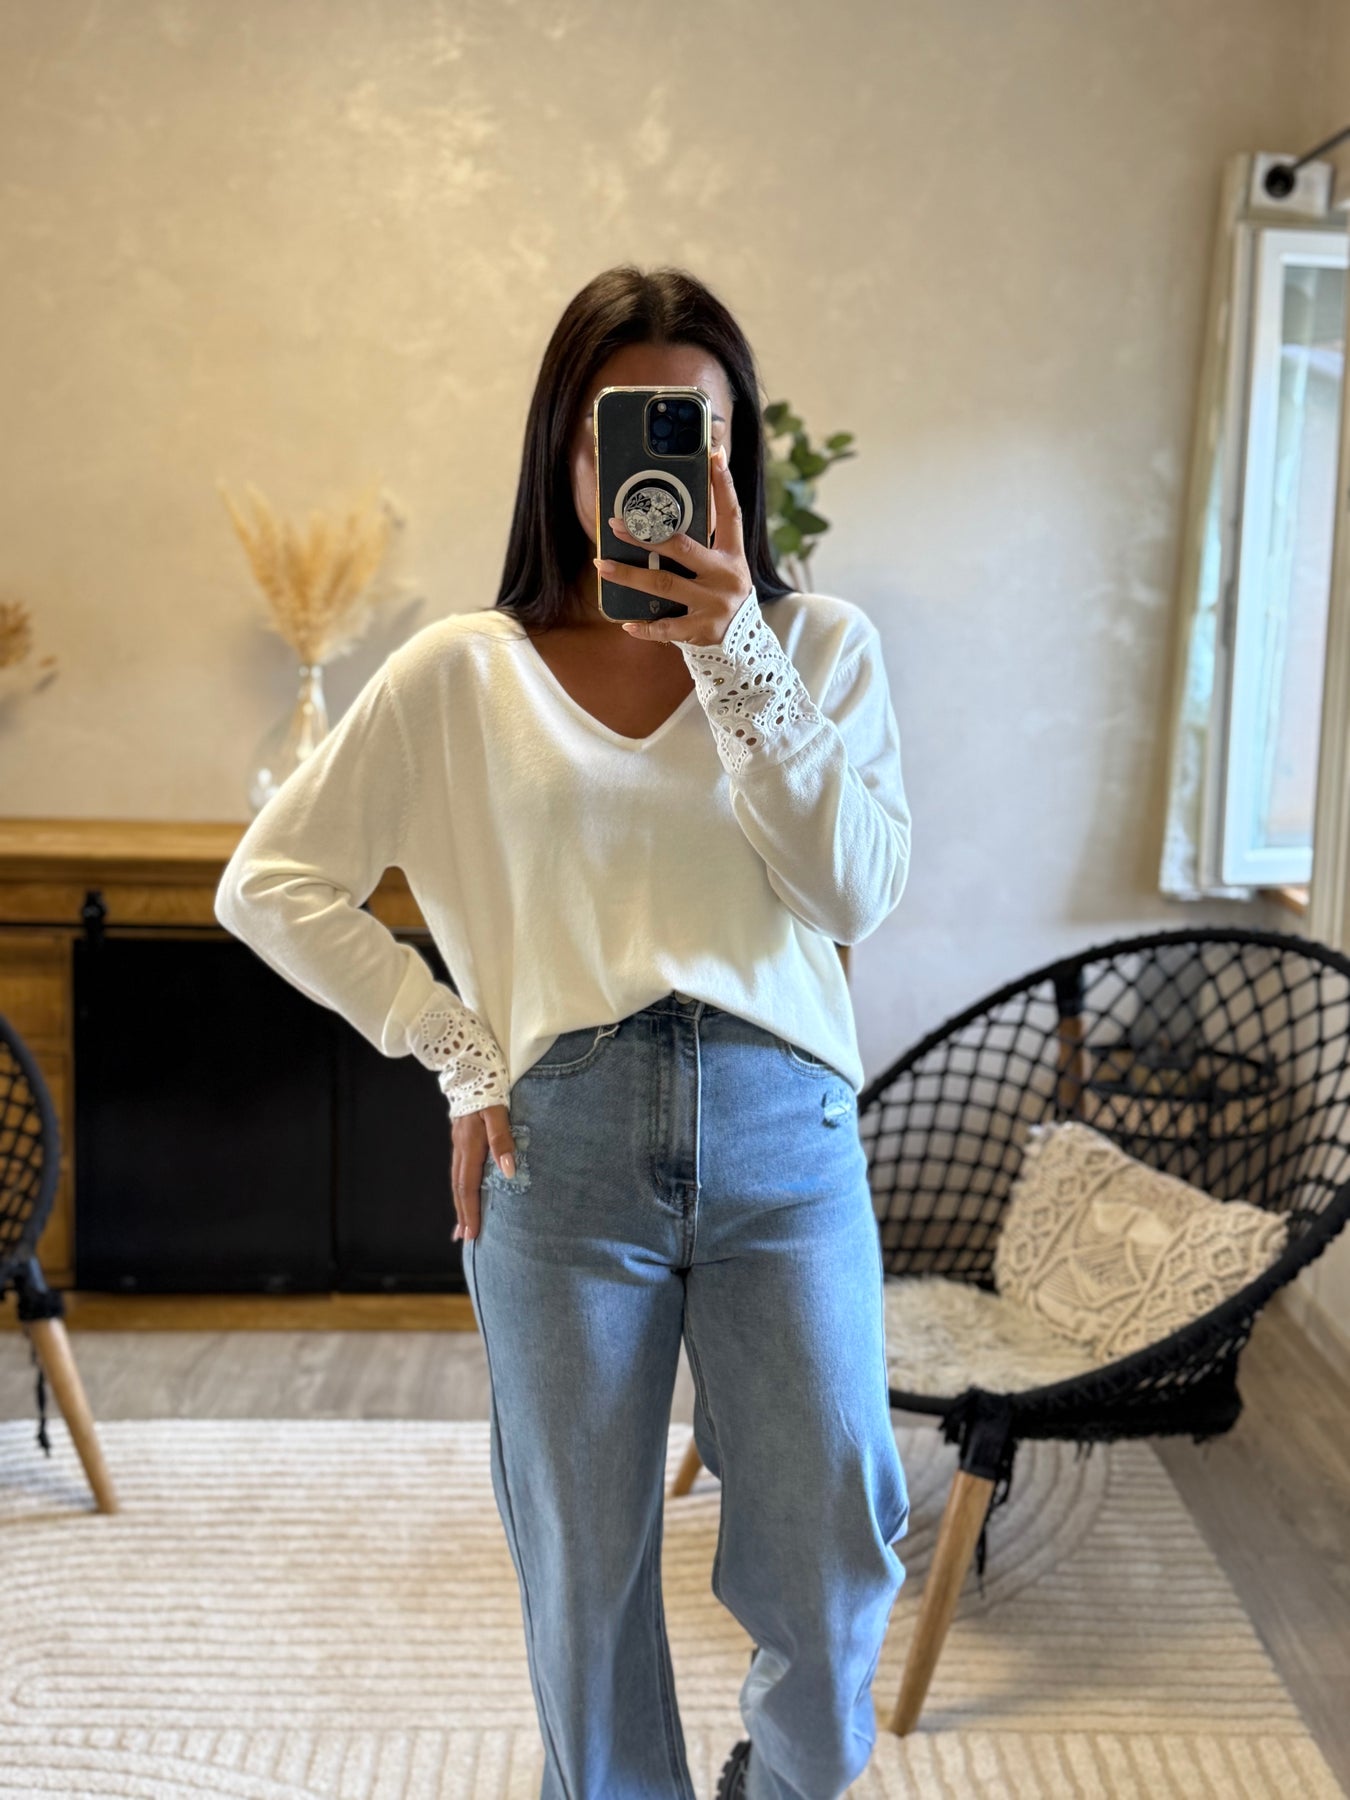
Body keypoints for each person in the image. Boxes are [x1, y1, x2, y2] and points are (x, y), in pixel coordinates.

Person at [214, 263, 912, 1800]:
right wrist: (452, 1049)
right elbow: (268, 884)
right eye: (622, 430)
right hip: (562, 1147)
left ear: (734, 453)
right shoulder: (460, 674)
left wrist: (736, 656)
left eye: (695, 429)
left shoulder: (820, 649)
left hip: (784, 1147)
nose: (662, 464)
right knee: (582, 1576)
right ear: (564, 450)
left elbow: (854, 890)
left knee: (833, 1551)